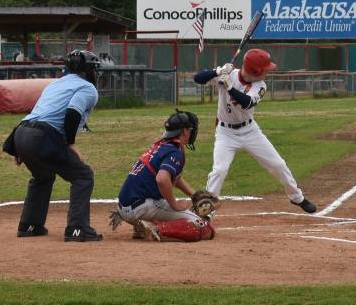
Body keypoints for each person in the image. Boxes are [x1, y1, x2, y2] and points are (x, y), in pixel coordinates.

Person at [194, 49, 317, 213]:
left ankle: (297, 198)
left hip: (250, 131)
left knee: (278, 164)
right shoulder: (229, 74)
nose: (267, 72)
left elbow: (247, 103)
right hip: (226, 133)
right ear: (255, 70)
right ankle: (206, 211)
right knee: (219, 170)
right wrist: (217, 71)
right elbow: (198, 78)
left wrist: (229, 87)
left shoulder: (260, 85)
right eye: (264, 69)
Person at [2, 49, 103, 241]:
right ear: (88, 70)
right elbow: (73, 112)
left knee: (43, 175)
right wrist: (71, 144)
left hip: (22, 133)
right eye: (94, 69)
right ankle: (77, 228)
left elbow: (37, 113)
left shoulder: (55, 84)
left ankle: (30, 225)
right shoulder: (87, 88)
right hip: (41, 135)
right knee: (83, 176)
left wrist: (18, 148)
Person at [109, 110, 214, 242]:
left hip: (125, 207)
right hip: (142, 207)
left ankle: (142, 224)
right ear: (184, 131)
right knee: (203, 227)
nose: (192, 132)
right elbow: (162, 179)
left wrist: (193, 195)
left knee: (160, 204)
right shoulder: (174, 151)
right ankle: (156, 228)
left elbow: (173, 177)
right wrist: (174, 204)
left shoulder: (161, 145)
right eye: (190, 129)